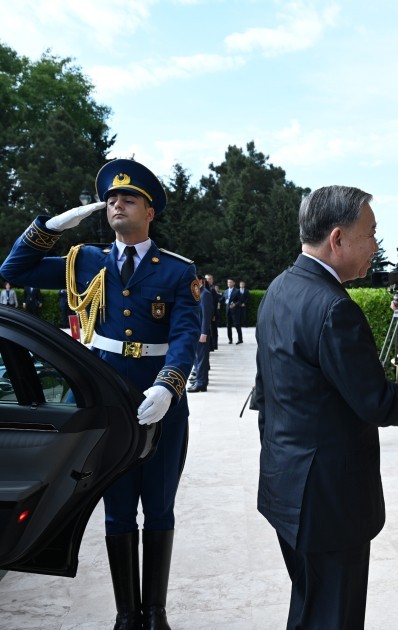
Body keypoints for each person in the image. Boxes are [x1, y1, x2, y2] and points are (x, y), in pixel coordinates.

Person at [254, 185, 398, 629]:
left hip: (286, 485)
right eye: (370, 233)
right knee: (334, 616)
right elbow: (377, 402)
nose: (375, 245)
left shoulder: (279, 288)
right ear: (337, 238)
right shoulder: (334, 307)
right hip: (328, 502)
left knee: (309, 608)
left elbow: (267, 395)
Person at [0, 158, 200, 629]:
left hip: (160, 400)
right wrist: (47, 228)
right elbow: (14, 269)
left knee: (160, 507)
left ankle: (156, 612)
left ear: (149, 212)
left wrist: (170, 384)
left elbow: (185, 336)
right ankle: (126, 614)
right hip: (111, 401)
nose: (116, 205)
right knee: (118, 508)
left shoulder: (177, 270)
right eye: (111, 199)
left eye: (128, 198)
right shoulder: (86, 261)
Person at [188, 275, 213, 393]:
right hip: (195, 332)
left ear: (200, 281)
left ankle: (201, 383)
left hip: (201, 333)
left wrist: (203, 333)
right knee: (197, 359)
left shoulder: (205, 294)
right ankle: (199, 381)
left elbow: (206, 316)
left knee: (201, 360)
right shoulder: (197, 293)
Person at [224, 278, 243, 344]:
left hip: (235, 311)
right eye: (228, 282)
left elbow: (240, 300)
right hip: (228, 310)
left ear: (234, 283)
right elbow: (223, 299)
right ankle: (230, 340)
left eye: (230, 282)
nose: (229, 283)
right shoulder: (225, 291)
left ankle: (240, 339)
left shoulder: (237, 291)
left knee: (237, 325)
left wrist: (235, 304)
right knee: (228, 325)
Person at [204, 273, 220, 350]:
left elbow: (214, 303)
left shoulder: (212, 290)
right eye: (206, 279)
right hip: (207, 313)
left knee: (213, 330)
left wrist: (213, 314)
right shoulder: (204, 289)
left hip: (212, 313)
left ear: (212, 280)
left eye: (209, 279)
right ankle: (210, 345)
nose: (207, 280)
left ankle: (214, 345)